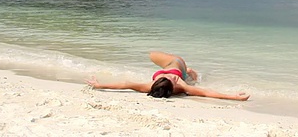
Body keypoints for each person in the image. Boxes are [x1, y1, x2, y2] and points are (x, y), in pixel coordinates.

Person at [85, 51, 250, 101]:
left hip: (172, 65)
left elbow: (126, 84)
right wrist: (235, 97)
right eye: (171, 79)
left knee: (152, 55)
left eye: (166, 78)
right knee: (189, 76)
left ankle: (191, 72)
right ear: (173, 87)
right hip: (178, 63)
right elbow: (206, 92)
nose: (170, 77)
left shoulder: (150, 86)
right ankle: (190, 71)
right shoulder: (181, 86)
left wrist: (100, 85)